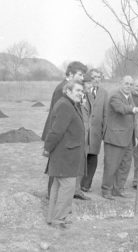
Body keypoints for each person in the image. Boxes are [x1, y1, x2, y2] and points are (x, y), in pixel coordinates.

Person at [43, 80, 86, 229]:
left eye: (82, 91)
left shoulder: (70, 104)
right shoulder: (65, 106)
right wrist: (47, 148)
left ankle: (52, 218)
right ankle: (59, 219)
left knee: (57, 186)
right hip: (65, 155)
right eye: (78, 90)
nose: (81, 93)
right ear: (68, 91)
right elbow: (56, 131)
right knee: (67, 188)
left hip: (66, 154)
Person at [42, 61, 87, 198]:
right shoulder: (61, 89)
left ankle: (61, 196)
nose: (82, 78)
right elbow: (58, 116)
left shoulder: (71, 88)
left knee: (61, 166)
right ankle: (52, 197)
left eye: (83, 75)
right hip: (59, 133)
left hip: (64, 132)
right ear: (71, 74)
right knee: (57, 166)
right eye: (80, 74)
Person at [101, 76, 138, 199]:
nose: (129, 86)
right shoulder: (115, 96)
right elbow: (121, 109)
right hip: (115, 138)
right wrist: (137, 109)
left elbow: (132, 119)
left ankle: (118, 189)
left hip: (128, 138)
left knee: (125, 165)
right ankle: (106, 190)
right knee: (111, 165)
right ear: (120, 83)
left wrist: (136, 136)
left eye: (131, 84)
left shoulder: (130, 97)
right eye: (126, 83)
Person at [80, 69, 108, 193]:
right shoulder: (83, 92)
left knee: (93, 158)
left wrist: (104, 131)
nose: (96, 79)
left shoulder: (104, 93)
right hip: (84, 131)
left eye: (99, 77)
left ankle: (86, 185)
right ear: (89, 79)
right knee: (82, 157)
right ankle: (77, 186)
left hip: (96, 132)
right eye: (94, 77)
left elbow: (106, 114)